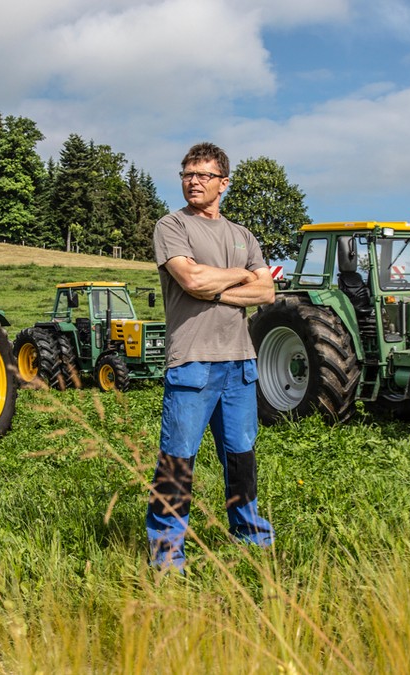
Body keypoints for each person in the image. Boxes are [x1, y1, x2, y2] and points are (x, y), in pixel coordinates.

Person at [145, 142, 276, 571]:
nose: (193, 181)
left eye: (203, 175)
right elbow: (192, 279)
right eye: (187, 174)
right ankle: (168, 558)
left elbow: (267, 291)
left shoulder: (243, 236)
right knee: (178, 461)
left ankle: (252, 541)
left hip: (240, 362)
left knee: (241, 458)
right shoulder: (172, 226)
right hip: (192, 362)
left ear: (223, 183)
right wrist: (241, 276)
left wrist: (220, 285)